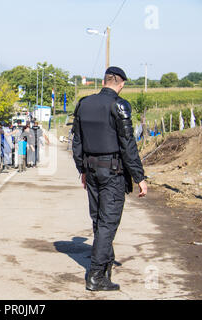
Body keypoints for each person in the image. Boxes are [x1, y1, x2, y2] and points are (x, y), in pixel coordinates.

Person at [72, 67, 148, 291]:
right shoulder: (119, 105)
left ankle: (104, 268)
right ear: (120, 83)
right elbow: (128, 145)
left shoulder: (84, 104)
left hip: (92, 171)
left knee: (99, 221)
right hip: (112, 173)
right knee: (108, 224)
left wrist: (82, 170)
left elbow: (77, 142)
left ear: (105, 81)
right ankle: (96, 276)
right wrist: (139, 176)